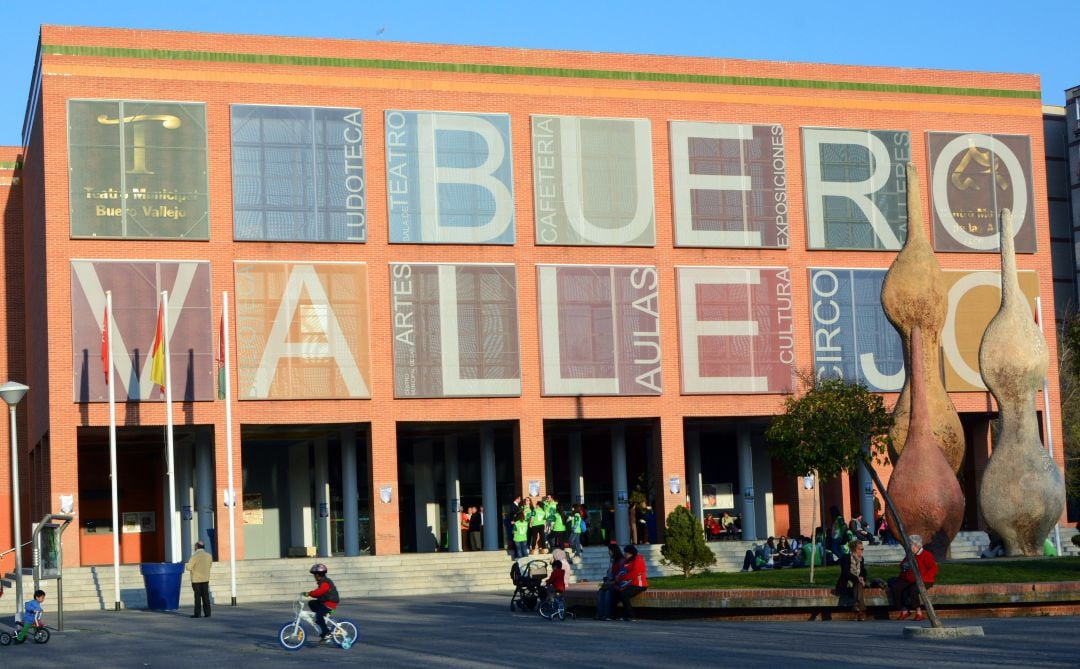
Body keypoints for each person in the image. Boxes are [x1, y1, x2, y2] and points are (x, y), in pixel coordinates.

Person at [887, 534, 938, 621]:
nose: (908, 547)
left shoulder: (926, 555)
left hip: (924, 580)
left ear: (916, 545)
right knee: (896, 588)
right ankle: (904, 610)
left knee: (913, 590)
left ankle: (919, 613)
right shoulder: (910, 555)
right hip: (909, 579)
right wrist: (904, 566)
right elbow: (902, 564)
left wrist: (922, 578)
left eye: (910, 545)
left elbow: (934, 568)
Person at [835, 539, 877, 621]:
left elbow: (863, 571)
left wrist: (862, 578)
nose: (862, 551)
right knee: (859, 585)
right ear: (854, 549)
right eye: (860, 549)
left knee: (859, 585)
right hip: (847, 584)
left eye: (862, 549)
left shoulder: (861, 559)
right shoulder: (846, 558)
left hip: (857, 585)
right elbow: (845, 573)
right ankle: (862, 613)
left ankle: (857, 606)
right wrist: (857, 579)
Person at [303, 563, 340, 643]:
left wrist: (309, 593)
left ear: (318, 575)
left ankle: (327, 632)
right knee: (311, 603)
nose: (314, 577)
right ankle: (320, 621)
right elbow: (320, 594)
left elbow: (319, 592)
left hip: (330, 603)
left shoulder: (325, 583)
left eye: (314, 575)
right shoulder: (322, 582)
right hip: (325, 602)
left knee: (319, 615)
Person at [612, 544, 648, 621]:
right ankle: (615, 615)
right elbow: (619, 570)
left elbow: (634, 573)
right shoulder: (626, 561)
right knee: (615, 593)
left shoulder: (638, 559)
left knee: (624, 594)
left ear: (632, 553)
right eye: (625, 553)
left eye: (626, 553)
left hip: (639, 584)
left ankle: (631, 615)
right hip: (628, 583)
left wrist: (621, 578)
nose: (625, 554)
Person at [595, 544, 624, 620]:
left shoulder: (620, 561)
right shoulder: (612, 560)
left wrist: (612, 581)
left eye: (610, 550)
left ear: (614, 551)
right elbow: (609, 573)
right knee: (601, 591)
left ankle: (608, 614)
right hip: (610, 582)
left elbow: (620, 575)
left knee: (608, 592)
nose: (608, 552)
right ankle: (600, 614)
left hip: (617, 583)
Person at [185, 539, 213, 618]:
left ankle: (197, 614)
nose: (194, 547)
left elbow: (188, 567)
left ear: (197, 547)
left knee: (197, 597)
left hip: (196, 580)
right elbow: (210, 565)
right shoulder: (209, 555)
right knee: (206, 597)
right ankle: (207, 613)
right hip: (205, 579)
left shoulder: (194, 556)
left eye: (194, 546)